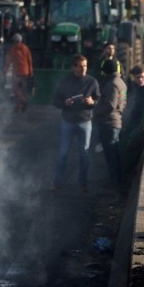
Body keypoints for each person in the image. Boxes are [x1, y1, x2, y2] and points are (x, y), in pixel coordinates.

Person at [50, 54, 101, 192]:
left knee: (84, 153)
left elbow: (98, 100)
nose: (83, 69)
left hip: (85, 122)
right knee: (63, 153)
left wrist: (92, 102)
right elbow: (55, 100)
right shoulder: (65, 81)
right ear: (74, 67)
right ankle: (57, 182)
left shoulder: (92, 82)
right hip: (68, 121)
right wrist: (65, 103)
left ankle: (82, 183)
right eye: (80, 66)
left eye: (85, 66)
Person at [93, 59, 127, 186]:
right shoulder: (121, 83)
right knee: (115, 153)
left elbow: (110, 105)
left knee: (111, 155)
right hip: (116, 121)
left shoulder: (112, 84)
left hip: (109, 123)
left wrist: (95, 113)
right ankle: (117, 180)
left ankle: (115, 182)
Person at [3, 33, 33, 112]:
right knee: (23, 89)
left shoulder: (13, 49)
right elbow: (29, 61)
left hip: (17, 73)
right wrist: (31, 72)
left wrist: (5, 72)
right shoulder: (26, 48)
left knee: (15, 89)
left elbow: (8, 62)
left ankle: (22, 102)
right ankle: (21, 105)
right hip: (25, 72)